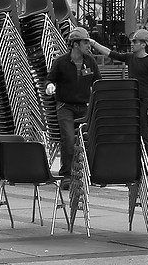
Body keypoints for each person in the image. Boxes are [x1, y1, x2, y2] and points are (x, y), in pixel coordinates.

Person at [44, 21, 112, 183]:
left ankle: (89, 173)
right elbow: (49, 79)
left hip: (84, 107)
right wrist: (50, 86)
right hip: (65, 107)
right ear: (75, 44)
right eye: (85, 42)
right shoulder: (61, 62)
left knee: (89, 139)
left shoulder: (90, 62)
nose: (88, 45)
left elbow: (98, 83)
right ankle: (67, 175)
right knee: (68, 139)